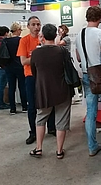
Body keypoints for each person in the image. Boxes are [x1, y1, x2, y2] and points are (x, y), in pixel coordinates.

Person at [75, 6, 101, 160]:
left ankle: (92, 147)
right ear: (100, 18)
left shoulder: (80, 34)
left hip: (87, 76)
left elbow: (79, 58)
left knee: (90, 113)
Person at [29, 24, 72, 159]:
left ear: (43, 36)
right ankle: (59, 150)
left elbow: (34, 71)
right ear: (55, 35)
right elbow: (69, 70)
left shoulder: (36, 53)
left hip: (43, 90)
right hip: (62, 90)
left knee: (40, 118)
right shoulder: (62, 51)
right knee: (62, 120)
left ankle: (39, 148)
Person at [17, 16, 56, 145]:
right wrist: (38, 56)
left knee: (50, 102)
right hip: (31, 76)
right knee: (32, 106)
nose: (36, 27)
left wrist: (36, 56)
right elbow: (23, 61)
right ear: (28, 26)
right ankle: (33, 132)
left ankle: (51, 127)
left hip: (45, 76)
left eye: (38, 24)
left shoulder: (44, 39)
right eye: (33, 24)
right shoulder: (24, 41)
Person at [4, 22, 28, 114]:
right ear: (17, 30)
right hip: (20, 66)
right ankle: (24, 107)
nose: (21, 31)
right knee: (22, 87)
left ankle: (12, 108)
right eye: (20, 29)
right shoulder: (21, 40)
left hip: (9, 67)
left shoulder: (6, 41)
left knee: (11, 88)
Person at [0, 26, 10, 110]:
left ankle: (0, 102)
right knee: (1, 86)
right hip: (2, 67)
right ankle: (1, 104)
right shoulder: (3, 42)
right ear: (6, 33)